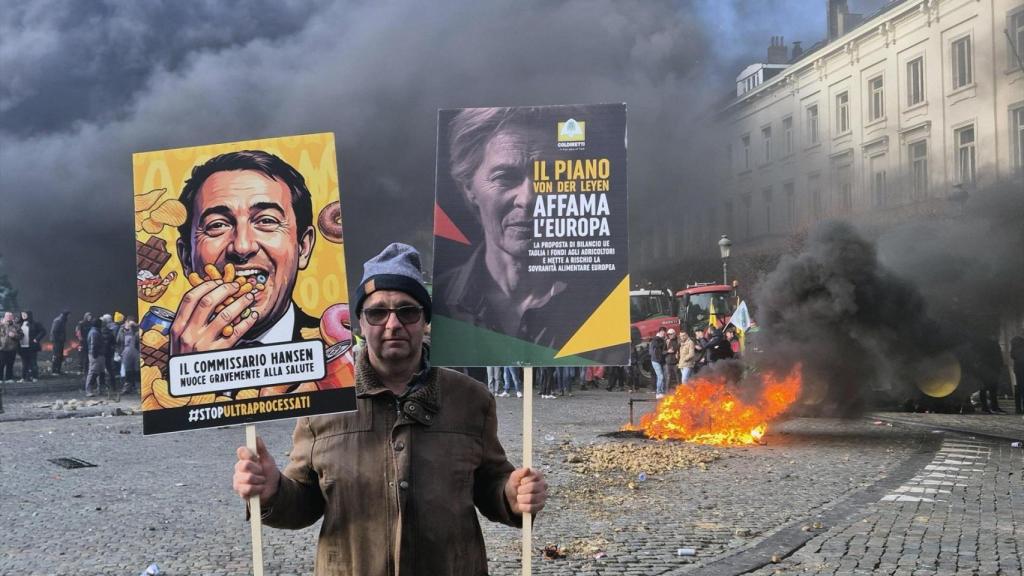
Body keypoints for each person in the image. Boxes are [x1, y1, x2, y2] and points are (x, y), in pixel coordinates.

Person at [231, 243, 546, 576]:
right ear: (359, 323)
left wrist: (511, 494)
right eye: (377, 312)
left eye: (407, 311)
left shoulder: (471, 398)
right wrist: (272, 492)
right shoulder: (323, 398)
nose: (392, 323)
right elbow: (306, 502)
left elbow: (490, 484)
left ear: (424, 320)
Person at [435, 107, 581, 351]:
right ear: (468, 187)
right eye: (505, 176)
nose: (528, 198)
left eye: (550, 176)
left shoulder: (600, 310)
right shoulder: (439, 301)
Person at [172, 150, 319, 354]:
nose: (242, 246)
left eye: (267, 221)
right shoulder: (152, 362)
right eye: (217, 225)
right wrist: (188, 371)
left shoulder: (337, 352)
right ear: (186, 257)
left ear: (303, 247)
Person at [18, 311, 45, 382]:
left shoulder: (35, 323)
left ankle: (34, 377)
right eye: (22, 314)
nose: (23, 315)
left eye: (25, 314)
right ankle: (24, 377)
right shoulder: (19, 323)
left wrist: (36, 339)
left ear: (29, 315)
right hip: (22, 346)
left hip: (32, 346)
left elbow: (43, 331)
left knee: (33, 363)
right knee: (24, 363)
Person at [117, 318, 141, 396]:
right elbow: (119, 341)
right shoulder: (122, 331)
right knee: (128, 370)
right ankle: (129, 387)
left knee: (136, 370)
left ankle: (137, 387)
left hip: (134, 351)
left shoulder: (137, 333)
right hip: (128, 352)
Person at [84, 318, 107, 397]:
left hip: (98, 355)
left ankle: (100, 389)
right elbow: (93, 344)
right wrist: (94, 354)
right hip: (96, 355)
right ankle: (89, 390)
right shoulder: (94, 332)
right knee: (93, 372)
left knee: (101, 373)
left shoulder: (95, 331)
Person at [50, 310, 70, 375]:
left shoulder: (62, 320)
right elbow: (54, 331)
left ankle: (58, 370)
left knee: (59, 356)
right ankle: (54, 370)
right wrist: (56, 340)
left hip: (60, 341)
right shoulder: (58, 321)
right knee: (56, 355)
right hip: (57, 341)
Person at [649, 327, 667, 398]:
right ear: (659, 332)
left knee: (661, 376)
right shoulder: (655, 339)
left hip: (660, 360)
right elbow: (656, 346)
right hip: (655, 360)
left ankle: (661, 392)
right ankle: (658, 392)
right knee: (661, 376)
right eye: (662, 332)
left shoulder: (661, 340)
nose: (663, 333)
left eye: (664, 332)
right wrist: (664, 341)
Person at [1, 312, 19, 383]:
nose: (9, 317)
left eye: (10, 316)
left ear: (12, 317)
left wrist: (14, 335)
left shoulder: (16, 326)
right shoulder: (1, 325)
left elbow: (21, 335)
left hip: (12, 349)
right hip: (2, 349)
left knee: (10, 364)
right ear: (4, 317)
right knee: (1, 364)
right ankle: (0, 379)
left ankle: (9, 379)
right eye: (7, 316)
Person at [1011, 335, 1024, 415]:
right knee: (1020, 388)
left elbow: (1013, 356)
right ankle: (1019, 408)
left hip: (1018, 369)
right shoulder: (1020, 345)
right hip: (1020, 369)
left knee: (1019, 388)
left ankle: (1018, 408)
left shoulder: (1014, 347)